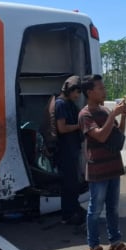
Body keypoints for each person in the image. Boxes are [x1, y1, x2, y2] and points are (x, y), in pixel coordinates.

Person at [78, 74, 126, 250]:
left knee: (113, 207)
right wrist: (113, 115)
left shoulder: (105, 111)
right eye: (100, 88)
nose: (104, 91)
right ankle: (93, 245)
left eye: (104, 87)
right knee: (95, 209)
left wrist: (123, 117)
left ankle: (115, 241)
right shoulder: (85, 115)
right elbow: (100, 136)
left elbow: (117, 136)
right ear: (89, 92)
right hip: (97, 170)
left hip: (113, 166)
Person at [55, 75, 85, 225]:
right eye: (75, 91)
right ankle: (68, 214)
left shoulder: (69, 103)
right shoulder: (61, 104)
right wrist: (79, 126)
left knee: (73, 182)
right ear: (68, 90)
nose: (77, 95)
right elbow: (62, 128)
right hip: (65, 150)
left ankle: (73, 209)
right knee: (69, 183)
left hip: (72, 148)